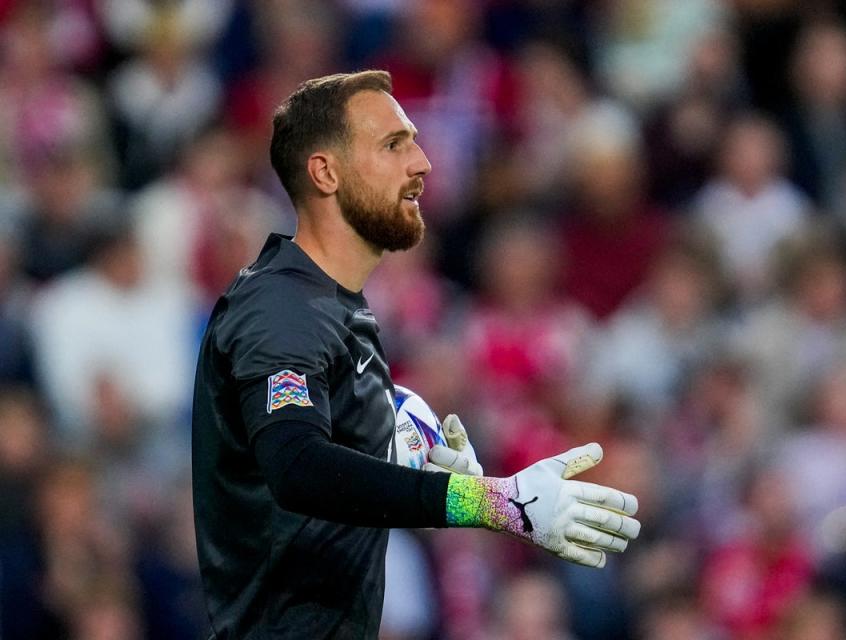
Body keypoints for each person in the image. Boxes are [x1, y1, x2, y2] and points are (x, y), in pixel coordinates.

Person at [191, 70, 642, 639]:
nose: (422, 163)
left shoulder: (335, 309)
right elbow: (297, 466)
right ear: (326, 172)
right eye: (393, 145)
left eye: (415, 141)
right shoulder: (282, 309)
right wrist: (489, 501)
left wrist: (389, 443)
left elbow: (309, 477)